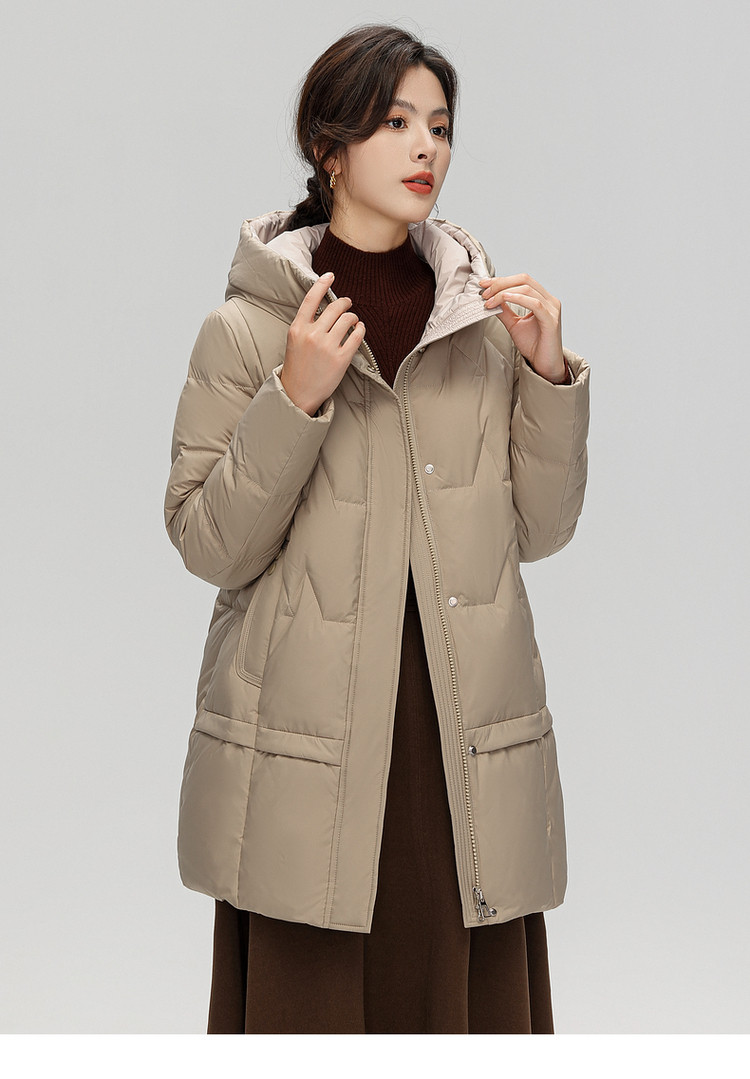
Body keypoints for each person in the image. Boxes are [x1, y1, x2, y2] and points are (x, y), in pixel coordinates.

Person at [164, 23, 590, 1034]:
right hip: (311, 736)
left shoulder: (479, 325)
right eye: (395, 122)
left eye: (439, 126)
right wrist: (293, 398)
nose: (425, 147)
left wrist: (547, 375)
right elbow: (208, 542)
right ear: (329, 146)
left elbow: (540, 529)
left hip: (456, 725)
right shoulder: (250, 330)